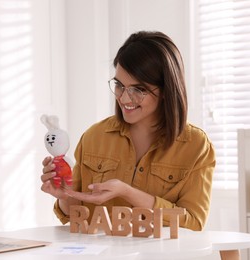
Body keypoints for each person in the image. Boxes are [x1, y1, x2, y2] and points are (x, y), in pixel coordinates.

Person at [40, 30, 215, 231]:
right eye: (119, 86)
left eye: (138, 89)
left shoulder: (196, 146)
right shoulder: (94, 137)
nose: (124, 98)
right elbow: (77, 215)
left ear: (166, 90)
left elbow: (194, 222)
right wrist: (65, 194)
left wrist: (128, 192)